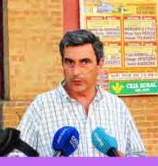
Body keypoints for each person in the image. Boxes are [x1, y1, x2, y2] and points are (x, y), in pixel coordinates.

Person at [17, 30, 146, 156]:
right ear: (62, 63)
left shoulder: (116, 106)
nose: (76, 71)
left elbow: (138, 154)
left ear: (100, 64)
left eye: (84, 62)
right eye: (69, 62)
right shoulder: (41, 107)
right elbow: (16, 155)